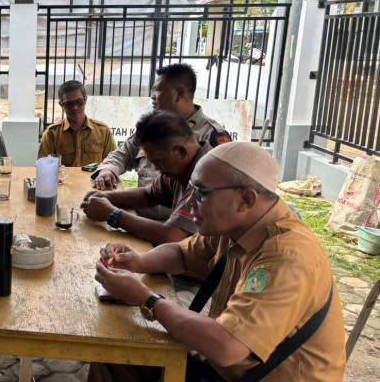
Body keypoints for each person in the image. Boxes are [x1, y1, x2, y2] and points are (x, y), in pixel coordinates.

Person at [89, 142, 346, 382]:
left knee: (116, 354)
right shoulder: (237, 224)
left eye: (200, 193)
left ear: (246, 199)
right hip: (223, 368)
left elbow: (227, 347)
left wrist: (146, 299)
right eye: (190, 190)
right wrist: (136, 261)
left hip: (251, 374)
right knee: (110, 354)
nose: (189, 203)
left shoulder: (287, 257)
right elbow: (183, 254)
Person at [92, 63, 231, 221]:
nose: (152, 96)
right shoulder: (153, 127)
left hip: (180, 231)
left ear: (179, 94)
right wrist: (108, 171)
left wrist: (116, 215)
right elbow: (123, 153)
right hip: (139, 220)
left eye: (158, 90)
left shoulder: (212, 136)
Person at [81, 110, 210, 246]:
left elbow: (171, 236)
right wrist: (106, 198)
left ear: (181, 151)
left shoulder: (205, 175)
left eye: (158, 161)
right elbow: (149, 194)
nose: (158, 169)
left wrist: (112, 214)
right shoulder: (181, 167)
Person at [38, 80, 117, 167]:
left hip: (93, 181)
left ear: (85, 100)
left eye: (79, 102)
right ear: (61, 105)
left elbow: (112, 164)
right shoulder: (51, 134)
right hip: (63, 180)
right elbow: (43, 168)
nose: (75, 108)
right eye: (69, 104)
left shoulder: (103, 132)